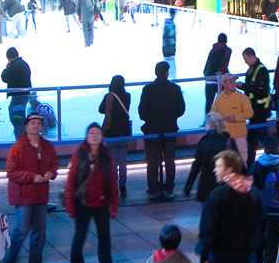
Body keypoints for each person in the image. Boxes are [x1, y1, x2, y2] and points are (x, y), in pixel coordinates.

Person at [3, 111, 57, 263]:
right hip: (23, 195)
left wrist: (50, 173)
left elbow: (54, 165)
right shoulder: (17, 148)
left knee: (40, 231)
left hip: (40, 195)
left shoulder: (47, 146)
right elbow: (11, 172)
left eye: (38, 123)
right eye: (32, 123)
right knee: (21, 230)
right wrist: (32, 177)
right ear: (26, 126)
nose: (36, 126)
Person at [65, 123, 119, 263]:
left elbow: (112, 183)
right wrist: (70, 205)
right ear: (86, 136)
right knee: (80, 236)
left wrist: (113, 205)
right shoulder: (79, 155)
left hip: (101, 203)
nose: (94, 136)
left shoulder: (106, 156)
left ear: (102, 137)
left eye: (97, 133)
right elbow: (71, 181)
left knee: (105, 237)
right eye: (91, 133)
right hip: (82, 202)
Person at [139, 60, 186, 203]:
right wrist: (171, 117)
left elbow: (142, 112)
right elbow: (181, 109)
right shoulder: (175, 89)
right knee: (170, 161)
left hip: (152, 130)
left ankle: (153, 189)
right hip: (170, 129)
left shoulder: (147, 89)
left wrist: (151, 119)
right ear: (167, 73)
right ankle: (169, 189)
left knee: (152, 162)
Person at [99, 75, 133, 198]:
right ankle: (123, 186)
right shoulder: (128, 96)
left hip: (110, 132)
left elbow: (100, 110)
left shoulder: (108, 96)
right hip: (123, 132)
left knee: (112, 162)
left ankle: (112, 186)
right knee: (123, 161)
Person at [186, 114, 231, 203]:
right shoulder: (228, 142)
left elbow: (196, 166)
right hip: (225, 185)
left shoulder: (204, 142)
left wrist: (188, 187)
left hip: (206, 186)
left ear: (208, 125)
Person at [212, 74, 253, 162]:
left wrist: (235, 117)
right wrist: (220, 118)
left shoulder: (242, 97)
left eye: (233, 81)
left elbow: (249, 113)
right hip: (224, 136)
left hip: (240, 135)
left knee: (243, 161)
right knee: (226, 162)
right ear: (224, 83)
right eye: (230, 81)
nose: (233, 83)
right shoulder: (219, 98)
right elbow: (213, 114)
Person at [203, 34, 233, 115]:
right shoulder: (227, 50)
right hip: (218, 79)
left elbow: (209, 65)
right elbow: (222, 65)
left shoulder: (213, 49)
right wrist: (227, 75)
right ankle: (221, 120)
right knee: (223, 101)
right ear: (226, 41)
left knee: (209, 102)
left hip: (209, 78)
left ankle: (208, 121)